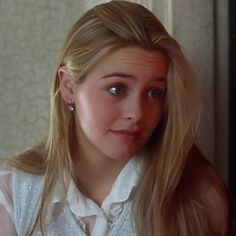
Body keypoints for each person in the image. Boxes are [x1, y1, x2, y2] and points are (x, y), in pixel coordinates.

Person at [0, 1, 230, 235]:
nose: (137, 114)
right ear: (68, 87)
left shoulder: (199, 200)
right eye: (116, 89)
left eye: (154, 93)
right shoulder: (13, 196)